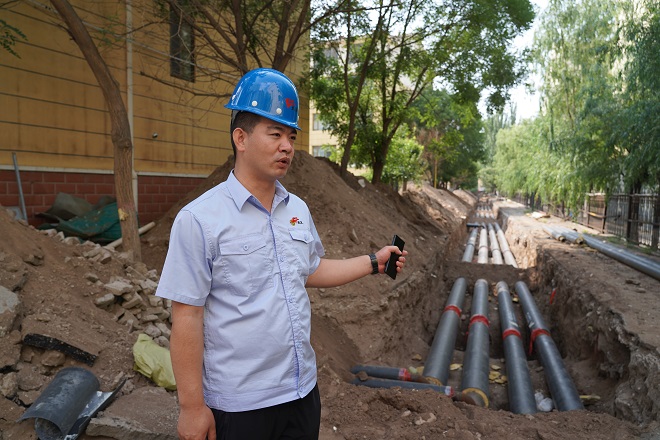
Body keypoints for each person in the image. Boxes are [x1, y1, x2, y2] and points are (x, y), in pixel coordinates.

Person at [156, 68, 408, 440]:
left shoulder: (297, 210)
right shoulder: (199, 219)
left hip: (301, 393)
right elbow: (186, 315)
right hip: (240, 406)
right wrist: (192, 408)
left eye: (290, 136)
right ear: (241, 138)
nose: (287, 146)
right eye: (275, 134)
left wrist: (374, 262)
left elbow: (309, 269)